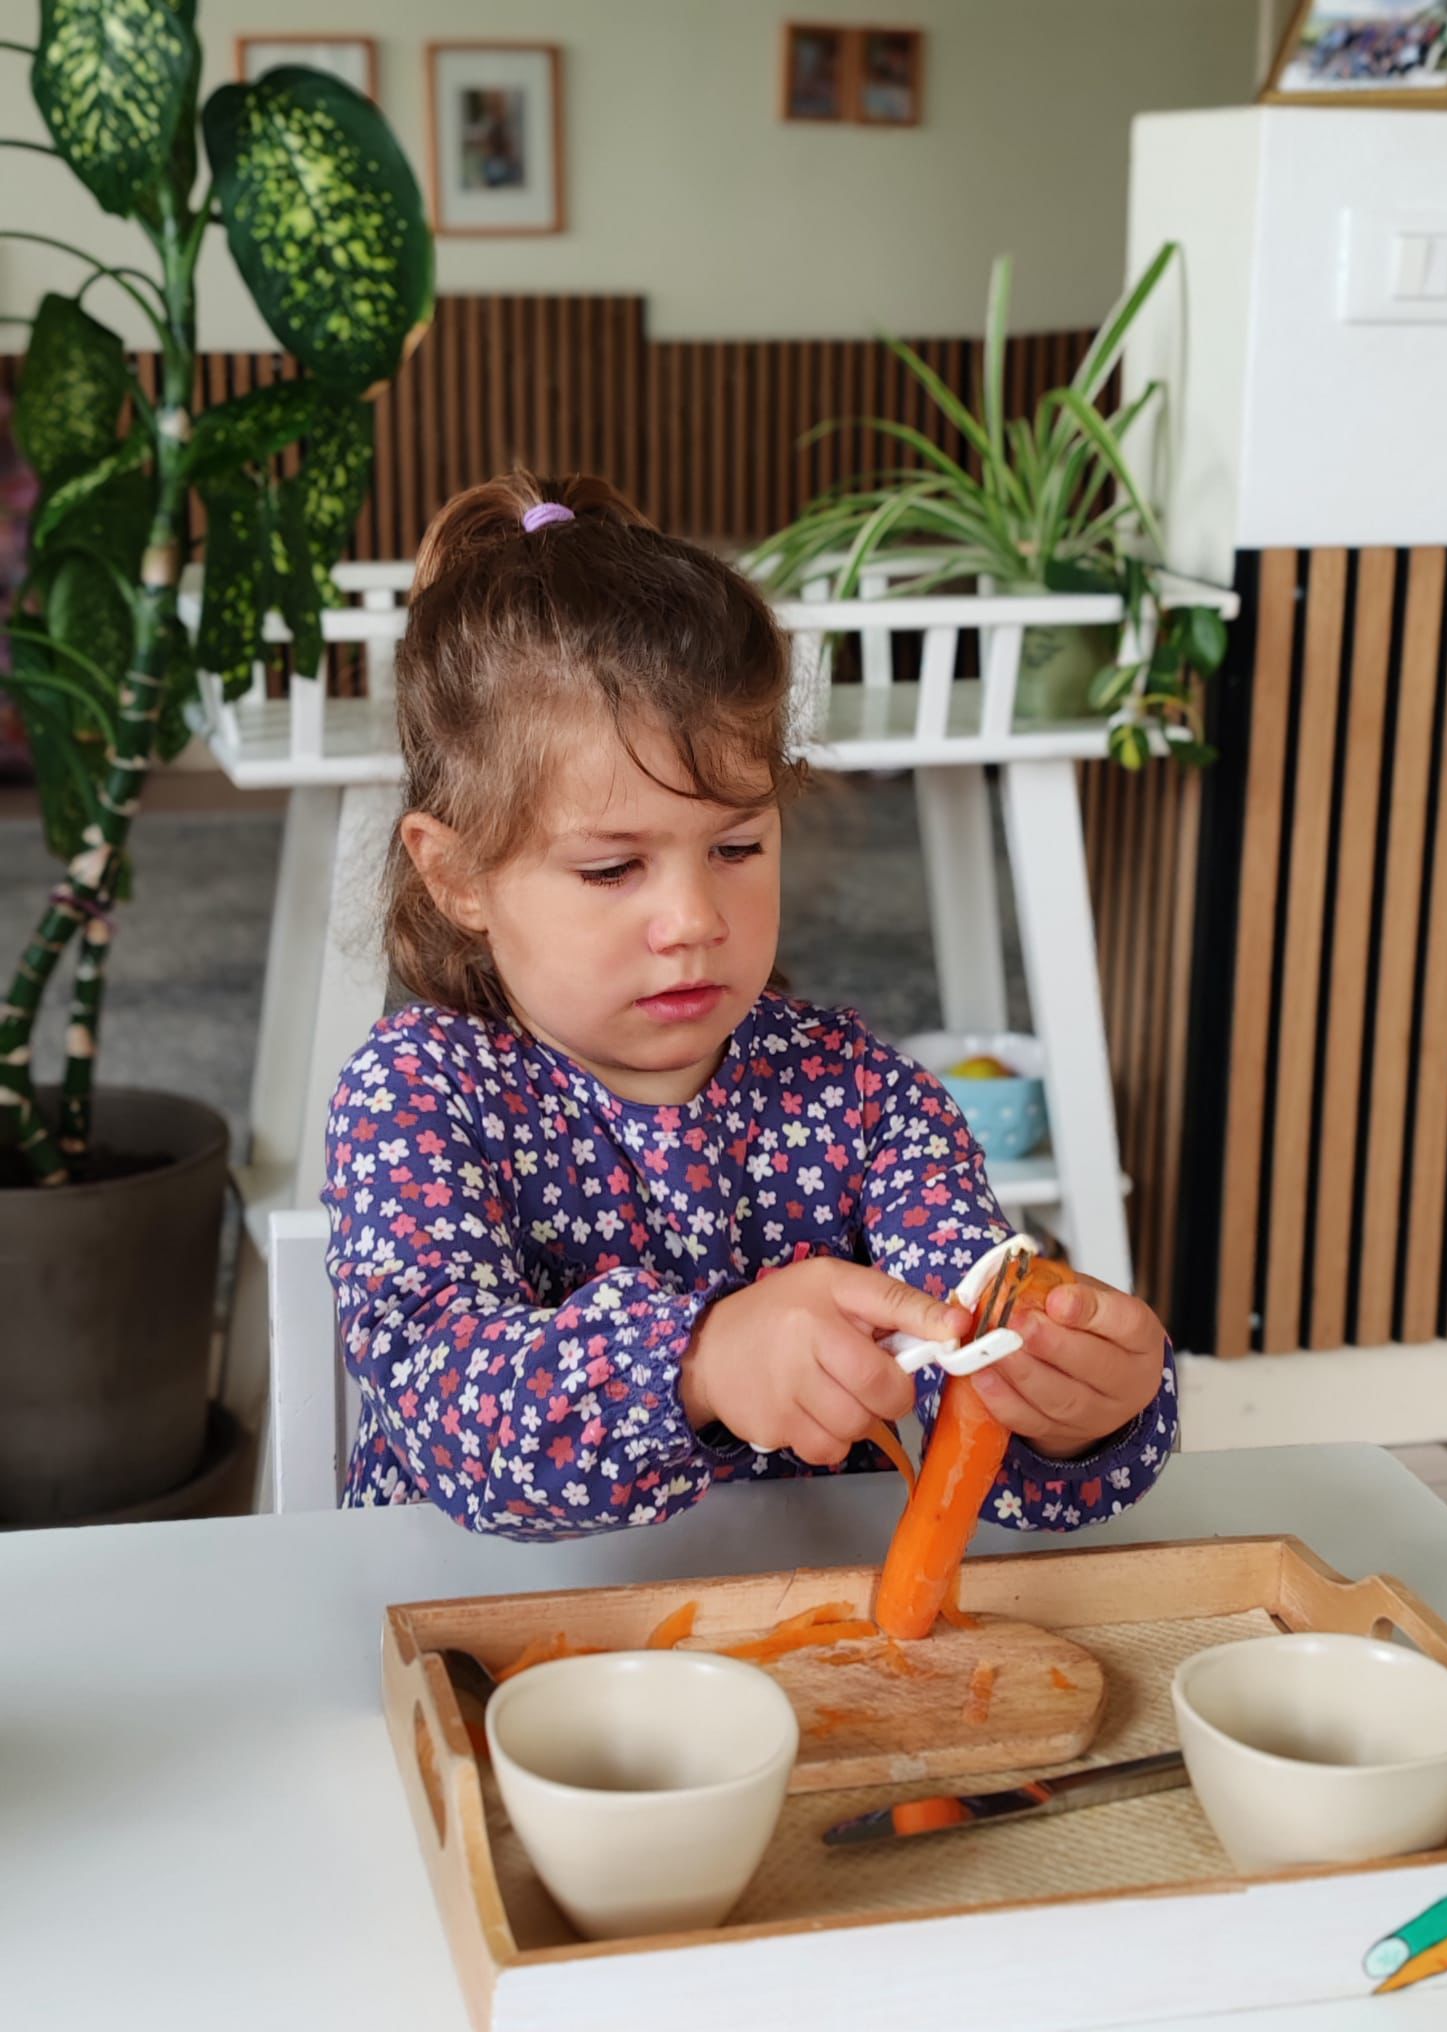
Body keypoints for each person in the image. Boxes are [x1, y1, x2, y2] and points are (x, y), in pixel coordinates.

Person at [321, 473, 1177, 1534]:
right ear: (457, 878)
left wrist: (1072, 1410)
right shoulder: (416, 1094)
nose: (693, 917)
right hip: (486, 1630)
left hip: (800, 1640)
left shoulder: (859, 1092)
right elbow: (445, 1408)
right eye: (610, 869)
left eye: (736, 846)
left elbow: (971, 1345)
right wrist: (699, 1361)